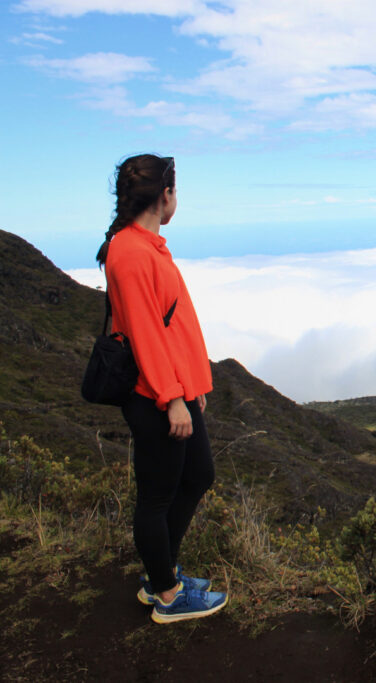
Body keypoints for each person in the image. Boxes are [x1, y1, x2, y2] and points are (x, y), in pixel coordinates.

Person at [96, 154, 227, 624]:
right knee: (157, 495)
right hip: (154, 394)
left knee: (197, 476)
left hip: (174, 386)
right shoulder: (130, 252)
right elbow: (147, 334)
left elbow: (170, 326)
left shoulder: (145, 245)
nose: (178, 198)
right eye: (177, 189)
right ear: (164, 195)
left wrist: (192, 385)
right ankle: (167, 594)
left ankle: (162, 572)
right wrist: (173, 397)